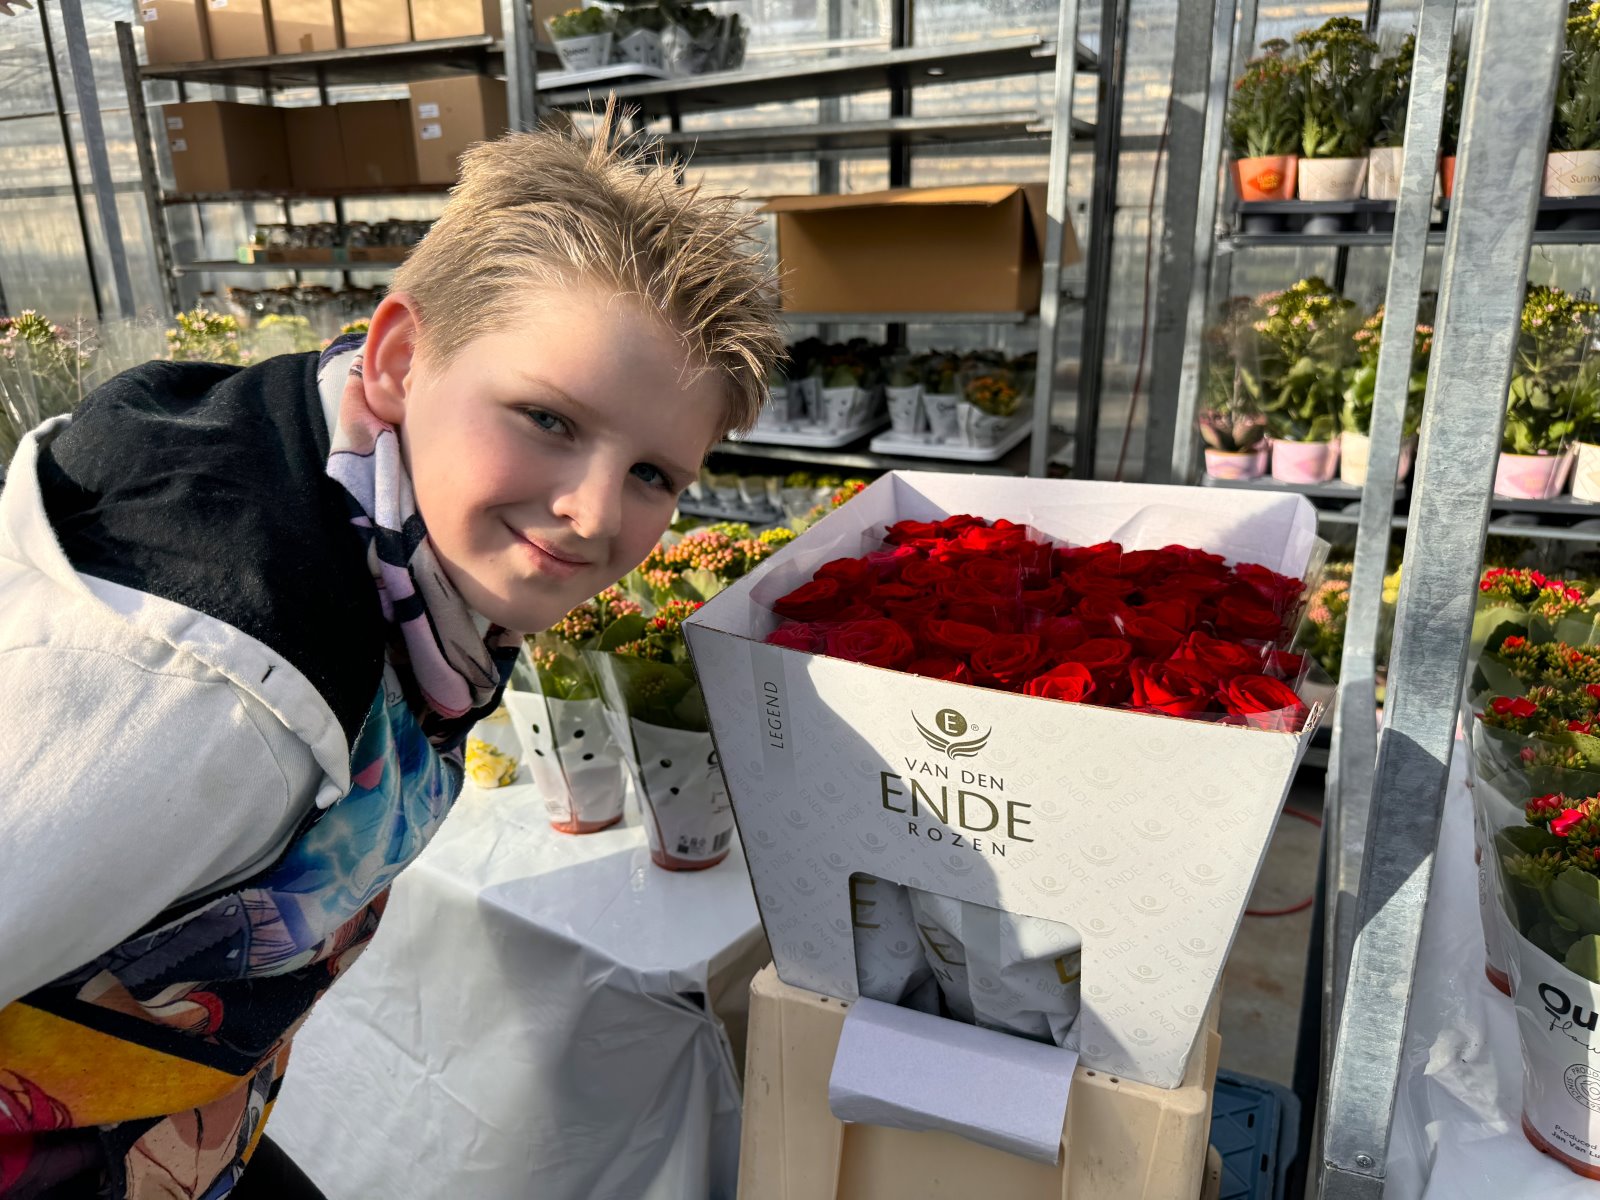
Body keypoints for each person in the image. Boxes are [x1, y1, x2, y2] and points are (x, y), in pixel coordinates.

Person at [0, 106, 782, 1198]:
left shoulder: (372, 532)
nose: (595, 514)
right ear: (400, 357)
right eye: (549, 420)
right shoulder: (219, 694)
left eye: (655, 473)